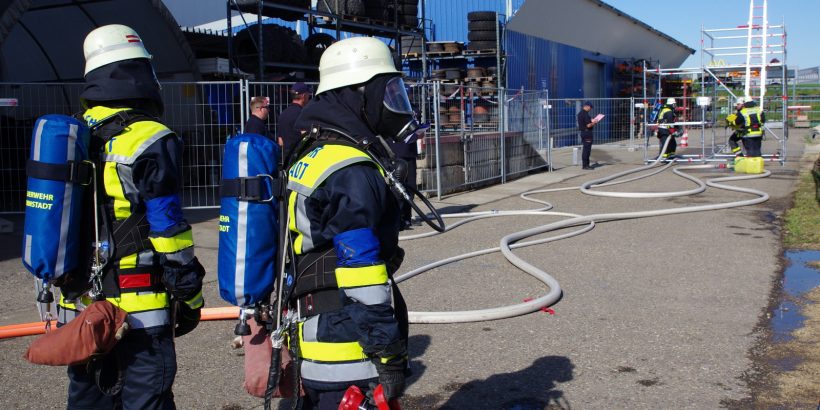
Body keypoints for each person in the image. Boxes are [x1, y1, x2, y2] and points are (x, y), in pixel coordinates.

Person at [58, 24, 205, 409]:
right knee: (147, 398)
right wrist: (190, 295)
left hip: (81, 304)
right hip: (137, 306)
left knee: (89, 398)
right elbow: (168, 229)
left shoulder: (74, 132)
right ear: (141, 73)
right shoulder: (149, 137)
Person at [287, 36, 415, 409]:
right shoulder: (352, 170)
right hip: (348, 345)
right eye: (385, 91)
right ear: (358, 95)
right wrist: (387, 353)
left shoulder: (314, 154)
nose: (393, 103)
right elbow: (360, 270)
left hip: (315, 333)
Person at [388, 132, 420, 229]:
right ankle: (397, 219)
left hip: (409, 151)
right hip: (395, 151)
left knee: (410, 187)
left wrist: (419, 133)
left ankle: (407, 218)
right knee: (398, 188)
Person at [277, 82, 312, 162]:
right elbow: (306, 136)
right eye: (308, 94)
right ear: (303, 96)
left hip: (286, 158)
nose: (309, 96)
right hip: (300, 156)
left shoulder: (283, 114)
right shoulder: (303, 114)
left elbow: (280, 142)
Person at [576, 101, 597, 170]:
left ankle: (585, 164)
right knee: (587, 150)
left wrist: (592, 120)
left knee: (586, 149)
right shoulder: (585, 114)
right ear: (587, 106)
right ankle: (585, 165)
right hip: (587, 133)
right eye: (590, 107)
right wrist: (594, 123)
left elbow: (586, 121)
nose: (590, 109)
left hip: (583, 133)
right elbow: (588, 125)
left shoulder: (580, 113)